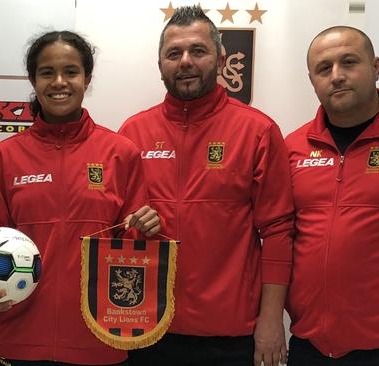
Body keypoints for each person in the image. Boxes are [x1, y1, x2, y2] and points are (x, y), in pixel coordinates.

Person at [0, 30, 160, 365]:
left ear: (87, 78)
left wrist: (145, 228)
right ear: (33, 79)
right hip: (20, 341)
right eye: (47, 72)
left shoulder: (120, 153)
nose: (59, 82)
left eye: (71, 71)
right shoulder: (6, 156)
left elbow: (132, 246)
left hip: (100, 341)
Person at [118, 5, 295, 366]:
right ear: (160, 64)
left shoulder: (257, 130)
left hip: (229, 335)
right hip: (147, 328)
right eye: (174, 53)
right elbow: (116, 226)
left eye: (197, 51)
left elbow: (277, 231)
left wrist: (272, 319)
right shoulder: (132, 133)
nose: (185, 61)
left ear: (220, 59)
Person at [284, 26, 379, 366]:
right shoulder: (292, 147)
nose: (336, 76)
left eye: (348, 62)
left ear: (376, 67)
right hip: (309, 346)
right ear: (312, 80)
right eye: (324, 68)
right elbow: (281, 236)